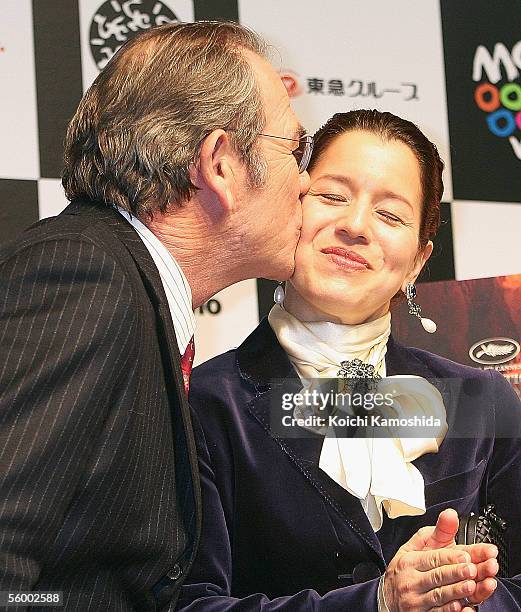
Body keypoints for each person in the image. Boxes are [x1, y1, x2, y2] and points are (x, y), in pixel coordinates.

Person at [0, 21, 311, 610]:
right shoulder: (86, 276)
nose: (307, 179)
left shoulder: (130, 293)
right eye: (295, 150)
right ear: (220, 163)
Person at [178, 110, 521, 611]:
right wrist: (379, 603)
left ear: (420, 259)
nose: (356, 226)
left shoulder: (482, 402)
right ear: (290, 207)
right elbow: (189, 604)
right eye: (333, 196)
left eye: (390, 214)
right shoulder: (208, 403)